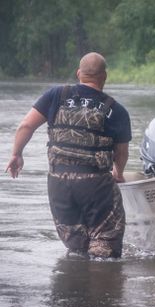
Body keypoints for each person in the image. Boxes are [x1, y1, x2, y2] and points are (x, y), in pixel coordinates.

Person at [5, 52, 131, 258]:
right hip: (95, 185)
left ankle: (73, 286)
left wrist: (16, 154)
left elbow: (26, 125)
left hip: (58, 183)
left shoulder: (56, 94)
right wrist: (118, 172)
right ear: (104, 76)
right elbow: (121, 151)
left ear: (79, 73)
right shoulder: (116, 110)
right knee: (104, 248)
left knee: (77, 249)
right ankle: (103, 287)